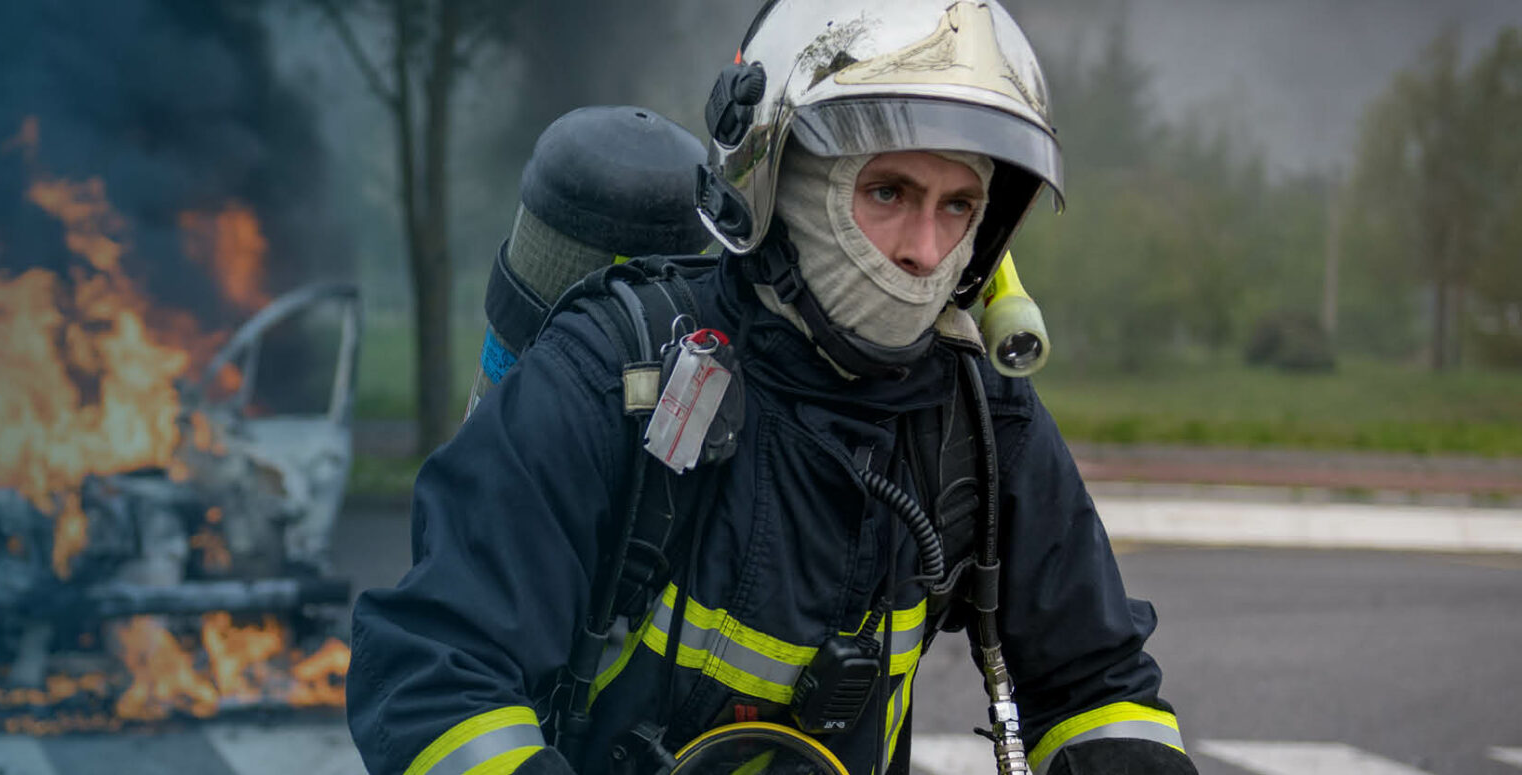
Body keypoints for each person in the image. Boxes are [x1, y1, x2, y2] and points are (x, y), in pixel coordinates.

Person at [345, 2, 1195, 774]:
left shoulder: (979, 416)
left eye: (957, 206)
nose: (924, 250)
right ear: (777, 180)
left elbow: (1099, 686)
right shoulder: (613, 375)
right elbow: (437, 672)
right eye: (889, 191)